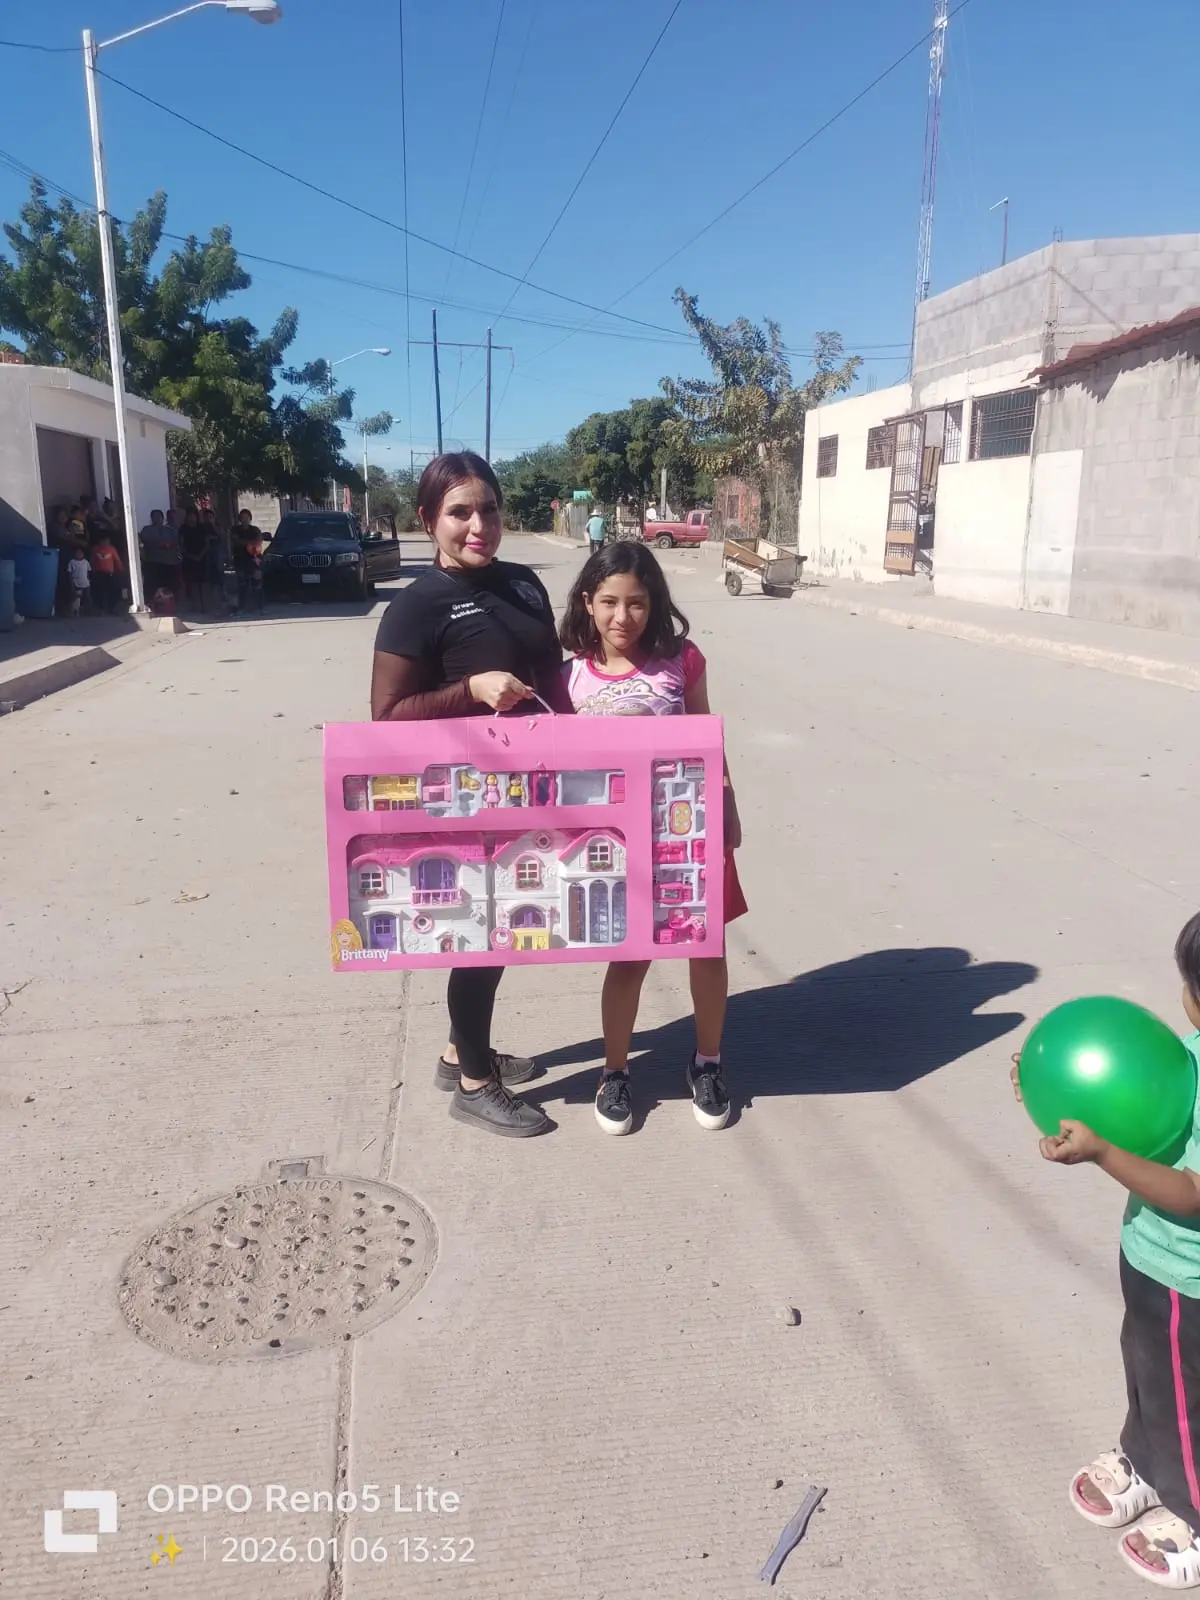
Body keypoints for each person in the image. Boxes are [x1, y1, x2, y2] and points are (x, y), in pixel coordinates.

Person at [371, 451, 567, 1139]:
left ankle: (461, 1053)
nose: (478, 525)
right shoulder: (415, 605)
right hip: (464, 795)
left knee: (510, 922)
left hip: (532, 785)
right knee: (482, 933)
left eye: (489, 509)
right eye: (460, 512)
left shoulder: (524, 584)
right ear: (429, 519)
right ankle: (476, 1086)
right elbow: (387, 717)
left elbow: (551, 674)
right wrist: (470, 691)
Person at [1019, 913, 1200, 1587]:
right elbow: (1144, 1104)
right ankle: (1150, 1458)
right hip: (1152, 1252)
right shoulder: (1189, 1051)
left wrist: (1101, 1153)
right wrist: (1064, 1092)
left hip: (1189, 1277)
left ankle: (1193, 1510)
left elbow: (1192, 1193)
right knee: (1151, 1369)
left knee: (1186, 1394)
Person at [559, 541, 747, 1136]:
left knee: (706, 950)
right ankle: (614, 1072)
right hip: (616, 846)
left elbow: (708, 737)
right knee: (630, 955)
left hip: (687, 836)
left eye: (637, 603)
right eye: (609, 602)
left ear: (655, 603)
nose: (623, 617)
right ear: (587, 603)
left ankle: (708, 1063)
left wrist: (727, 804)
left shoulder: (681, 661)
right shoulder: (568, 676)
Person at [232, 509, 264, 611]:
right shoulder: (235, 530)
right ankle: (242, 608)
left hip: (254, 558)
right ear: (240, 519)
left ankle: (260, 607)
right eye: (243, 517)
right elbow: (237, 541)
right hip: (240, 559)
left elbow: (259, 540)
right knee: (242, 584)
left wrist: (249, 543)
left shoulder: (254, 530)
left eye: (247, 517)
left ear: (250, 518)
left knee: (257, 582)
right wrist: (250, 542)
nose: (245, 519)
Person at [179, 508, 209, 612]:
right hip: (188, 558)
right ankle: (193, 605)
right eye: (189, 516)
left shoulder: (202, 528)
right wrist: (189, 556)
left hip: (202, 557)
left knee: (202, 583)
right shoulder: (183, 528)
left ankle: (204, 605)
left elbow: (207, 543)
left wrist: (200, 555)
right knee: (191, 582)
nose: (192, 518)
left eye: (193, 515)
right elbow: (181, 545)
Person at [89, 528, 124, 614]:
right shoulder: (96, 549)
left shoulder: (112, 549)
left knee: (112, 590)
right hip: (99, 573)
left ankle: (111, 608)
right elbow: (92, 561)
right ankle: (100, 608)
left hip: (109, 573)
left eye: (107, 540)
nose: (105, 542)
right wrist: (92, 571)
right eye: (103, 540)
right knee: (99, 591)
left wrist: (121, 569)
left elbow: (117, 560)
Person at [67, 545, 91, 617]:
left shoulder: (86, 562)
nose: (79, 554)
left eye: (81, 553)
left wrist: (89, 580)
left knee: (87, 597)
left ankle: (87, 612)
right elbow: (69, 573)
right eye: (77, 553)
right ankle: (74, 611)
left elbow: (88, 572)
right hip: (76, 583)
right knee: (76, 598)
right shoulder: (72, 562)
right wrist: (72, 584)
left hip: (85, 583)